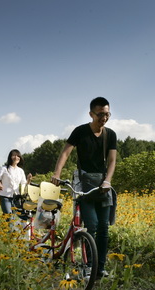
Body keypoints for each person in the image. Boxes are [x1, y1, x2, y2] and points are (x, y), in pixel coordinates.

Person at [51, 97, 117, 278]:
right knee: (92, 225)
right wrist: (57, 173)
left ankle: (100, 268)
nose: (104, 118)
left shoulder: (110, 135)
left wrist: (108, 180)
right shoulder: (80, 132)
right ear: (91, 114)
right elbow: (65, 152)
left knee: (104, 227)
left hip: (103, 185)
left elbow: (112, 161)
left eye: (107, 114)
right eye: (100, 114)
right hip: (84, 184)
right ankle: (88, 266)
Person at [0, 149, 32, 215]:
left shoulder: (20, 171)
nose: (16, 157)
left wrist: (28, 179)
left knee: (18, 217)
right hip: (5, 196)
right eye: (14, 155)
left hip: (16, 197)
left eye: (18, 156)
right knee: (9, 216)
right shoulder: (4, 168)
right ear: (10, 157)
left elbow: (24, 184)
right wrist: (0, 186)